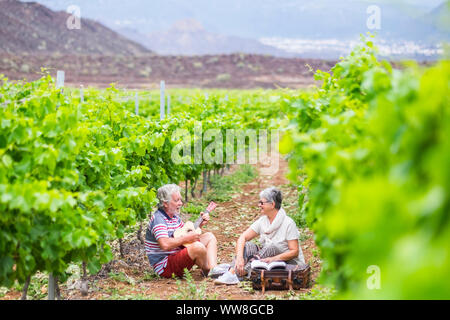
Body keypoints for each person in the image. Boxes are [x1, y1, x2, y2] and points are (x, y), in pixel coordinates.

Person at [214, 187, 305, 285]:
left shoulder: (288, 223)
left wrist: (273, 259)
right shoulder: (263, 221)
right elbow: (243, 237)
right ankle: (235, 271)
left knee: (271, 246)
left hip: (288, 263)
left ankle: (238, 273)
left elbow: (294, 252)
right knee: (248, 245)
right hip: (268, 260)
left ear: (272, 204)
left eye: (262, 203)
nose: (259, 205)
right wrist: (240, 257)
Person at [145, 184, 218, 278]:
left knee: (209, 236)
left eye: (180, 200)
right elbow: (165, 244)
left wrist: (200, 224)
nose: (180, 203)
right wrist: (186, 238)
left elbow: (184, 235)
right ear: (165, 203)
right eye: (176, 200)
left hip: (176, 254)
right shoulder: (159, 219)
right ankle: (207, 270)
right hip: (165, 266)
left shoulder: (174, 217)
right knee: (197, 247)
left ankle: (214, 269)